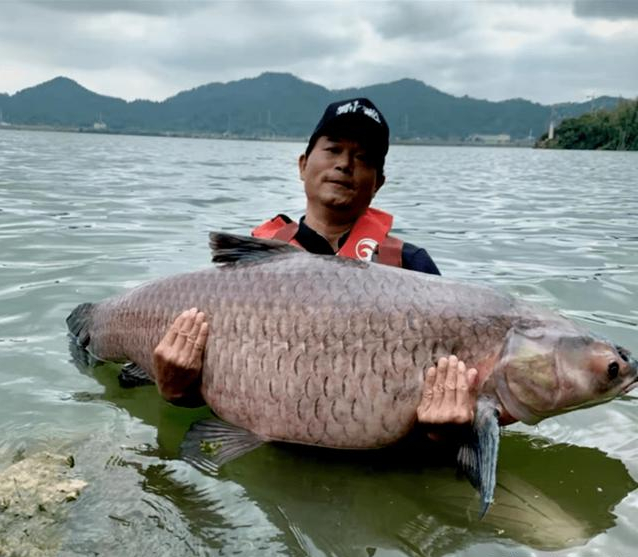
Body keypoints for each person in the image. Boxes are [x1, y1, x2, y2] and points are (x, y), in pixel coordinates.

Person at [151, 98, 478, 432]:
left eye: (363, 157)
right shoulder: (245, 272)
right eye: (333, 149)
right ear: (303, 165)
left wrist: (443, 433)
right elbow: (199, 392)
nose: (345, 164)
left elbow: (445, 401)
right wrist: (177, 390)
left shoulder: (412, 266)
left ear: (378, 182)